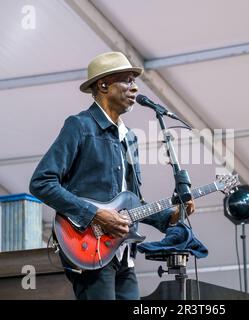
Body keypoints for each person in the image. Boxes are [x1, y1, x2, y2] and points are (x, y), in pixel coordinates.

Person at [29, 51, 195, 300]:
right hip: (88, 247)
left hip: (123, 252)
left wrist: (167, 216)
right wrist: (95, 214)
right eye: (127, 80)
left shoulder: (130, 137)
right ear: (103, 84)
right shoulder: (80, 126)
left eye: (133, 81)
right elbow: (41, 182)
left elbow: (131, 201)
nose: (135, 87)